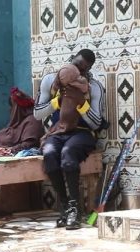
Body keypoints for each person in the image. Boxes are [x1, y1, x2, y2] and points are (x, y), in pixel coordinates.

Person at [34, 48, 106, 230]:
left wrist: (81, 104)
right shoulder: (51, 81)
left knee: (68, 155)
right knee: (49, 154)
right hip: (58, 131)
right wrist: (56, 102)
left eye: (83, 70)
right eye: (77, 65)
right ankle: (65, 207)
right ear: (71, 59)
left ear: (87, 70)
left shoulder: (93, 87)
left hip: (82, 132)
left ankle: (75, 208)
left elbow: (96, 123)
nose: (79, 71)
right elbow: (37, 113)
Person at [0, 87, 45, 155]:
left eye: (12, 106)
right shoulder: (17, 122)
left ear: (17, 108)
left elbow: (29, 144)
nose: (10, 110)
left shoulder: (32, 121)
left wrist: (8, 150)